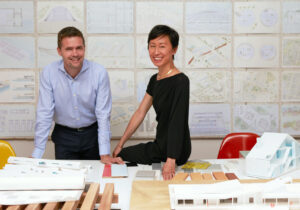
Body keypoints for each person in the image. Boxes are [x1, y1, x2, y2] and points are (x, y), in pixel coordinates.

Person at [32, 26, 121, 164]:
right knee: (67, 182)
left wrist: (104, 153)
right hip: (64, 136)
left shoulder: (99, 72)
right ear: (59, 51)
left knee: (96, 179)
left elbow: (103, 114)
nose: (75, 53)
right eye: (68, 49)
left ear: (84, 48)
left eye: (79, 48)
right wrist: (37, 152)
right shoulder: (49, 73)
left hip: (92, 135)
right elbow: (44, 113)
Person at [113, 25, 191, 180]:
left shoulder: (181, 81)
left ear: (174, 49)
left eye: (162, 46)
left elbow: (177, 120)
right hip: (160, 145)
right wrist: (120, 144)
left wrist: (171, 159)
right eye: (152, 46)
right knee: (122, 154)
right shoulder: (154, 80)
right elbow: (140, 112)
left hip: (177, 149)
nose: (156, 52)